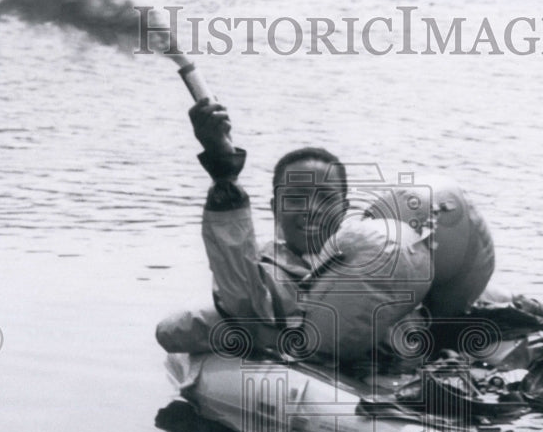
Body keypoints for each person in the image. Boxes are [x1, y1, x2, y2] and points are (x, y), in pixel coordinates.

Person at [155, 97, 433, 367]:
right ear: (275, 208)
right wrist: (224, 176)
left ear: (345, 208)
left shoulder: (380, 258)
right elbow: (244, 295)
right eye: (296, 198)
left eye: (325, 198)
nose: (311, 209)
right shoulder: (267, 275)